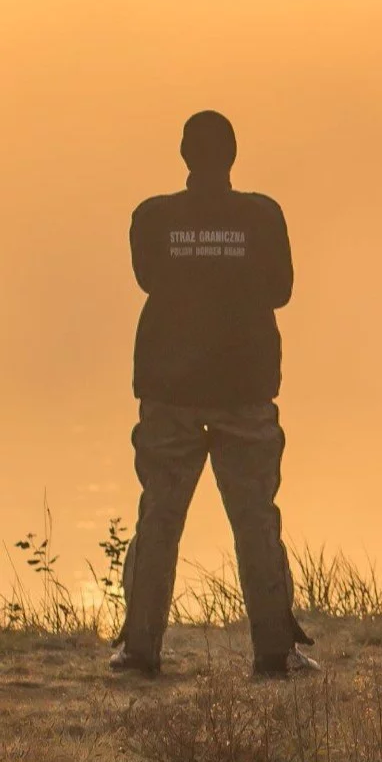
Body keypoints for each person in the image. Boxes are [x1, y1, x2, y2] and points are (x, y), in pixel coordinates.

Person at [110, 112, 315, 678]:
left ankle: (141, 651)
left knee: (159, 518)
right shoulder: (262, 215)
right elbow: (281, 290)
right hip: (245, 390)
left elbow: (149, 278)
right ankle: (275, 652)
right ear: (233, 156)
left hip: (169, 391)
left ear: (183, 155)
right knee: (255, 519)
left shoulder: (152, 217)